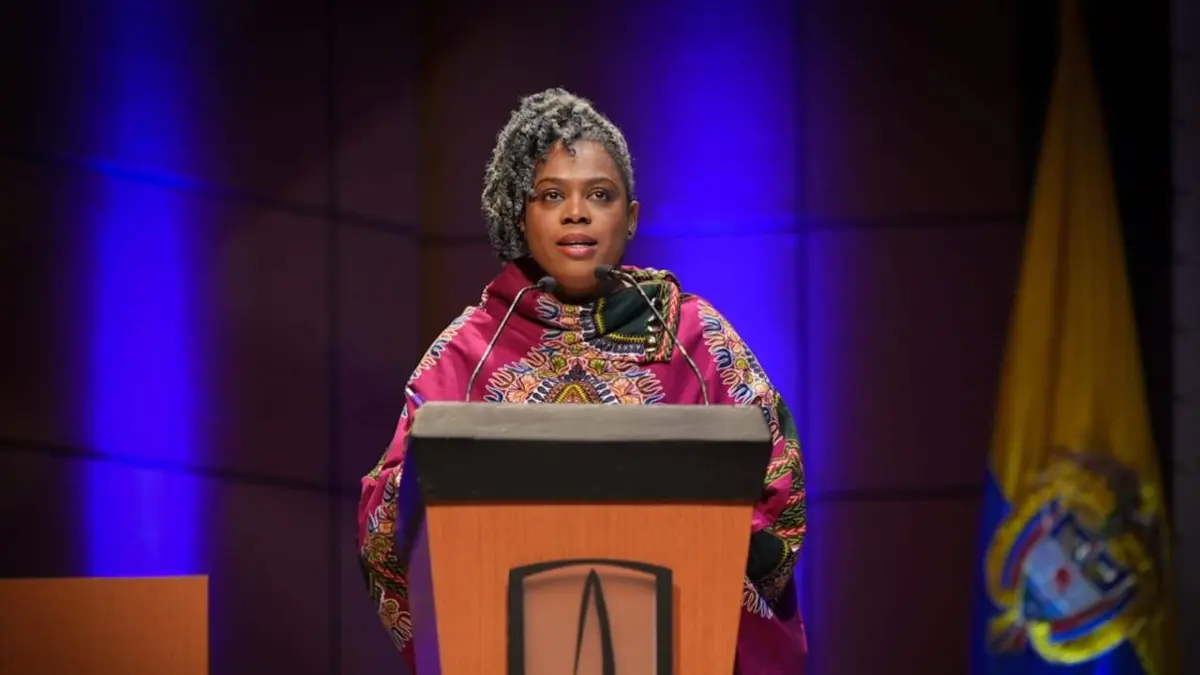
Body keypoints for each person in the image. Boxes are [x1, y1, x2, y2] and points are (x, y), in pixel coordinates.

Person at [357, 88, 808, 673]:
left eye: (600, 194)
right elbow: (388, 526)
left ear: (631, 217)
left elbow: (779, 485)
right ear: (521, 216)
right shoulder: (467, 351)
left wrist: (695, 548)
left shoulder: (697, 337)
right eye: (552, 195)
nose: (577, 212)